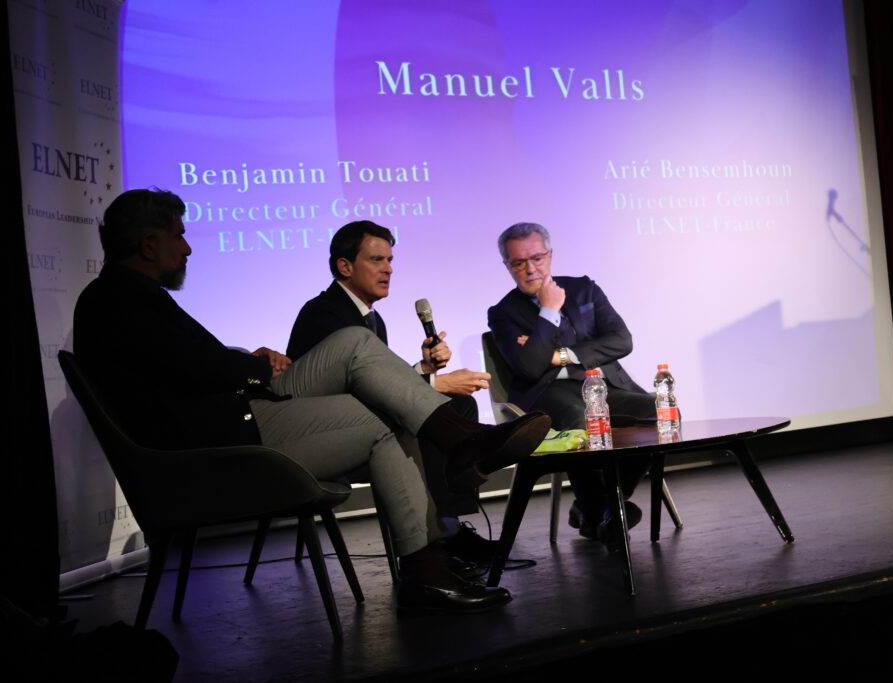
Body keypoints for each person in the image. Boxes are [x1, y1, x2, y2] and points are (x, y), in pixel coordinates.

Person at [73, 189, 551, 613]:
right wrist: (254, 366)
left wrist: (242, 357)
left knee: (356, 347)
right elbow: (194, 370)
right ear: (149, 243)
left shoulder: (129, 296)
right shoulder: (120, 299)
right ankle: (436, 536)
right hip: (222, 441)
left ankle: (444, 513)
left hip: (240, 417)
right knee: (381, 406)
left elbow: (186, 363)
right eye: (178, 235)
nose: (188, 246)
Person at [287, 221, 498, 568]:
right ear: (345, 266)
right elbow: (349, 392)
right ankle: (446, 535)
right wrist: (435, 385)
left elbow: (379, 384)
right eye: (376, 260)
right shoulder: (324, 314)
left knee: (457, 404)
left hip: (362, 418)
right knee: (429, 414)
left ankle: (451, 526)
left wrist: (425, 369)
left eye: (390, 260)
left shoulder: (371, 318)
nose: (388, 269)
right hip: (327, 434)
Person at [486, 222, 652, 547]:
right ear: (507, 266)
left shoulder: (584, 289)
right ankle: (603, 512)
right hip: (548, 393)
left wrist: (559, 354)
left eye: (536, 257)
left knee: (653, 412)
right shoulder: (503, 313)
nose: (530, 268)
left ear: (549, 255)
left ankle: (601, 507)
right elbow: (531, 367)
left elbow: (622, 340)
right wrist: (548, 311)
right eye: (519, 263)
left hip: (602, 385)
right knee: (579, 417)